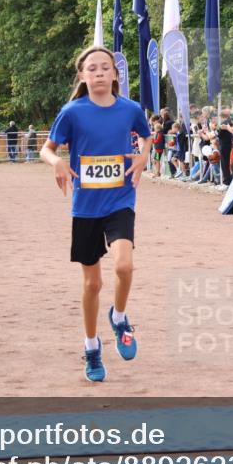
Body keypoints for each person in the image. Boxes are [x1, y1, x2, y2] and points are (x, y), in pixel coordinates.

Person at [39, 45, 151, 383]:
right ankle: (91, 346)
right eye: (93, 68)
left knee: (124, 265)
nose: (100, 73)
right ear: (82, 76)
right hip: (85, 207)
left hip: (120, 199)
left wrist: (143, 157)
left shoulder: (130, 109)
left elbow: (146, 137)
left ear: (115, 75)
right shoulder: (72, 112)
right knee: (92, 283)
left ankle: (118, 317)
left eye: (106, 68)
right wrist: (57, 161)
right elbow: (47, 148)